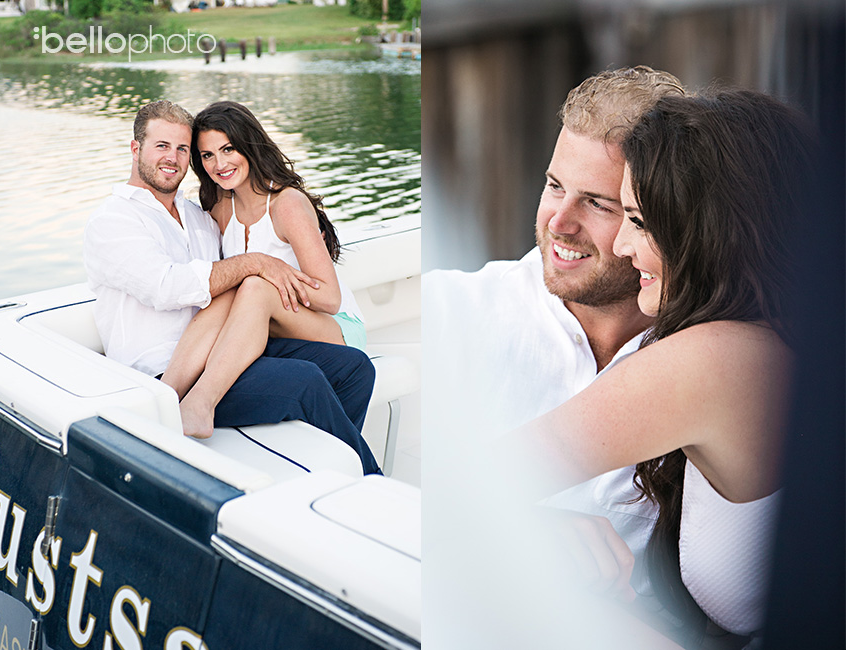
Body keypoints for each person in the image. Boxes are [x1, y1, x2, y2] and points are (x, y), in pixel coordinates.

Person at [498, 88, 814, 645]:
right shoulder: (791, 336)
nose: (622, 246)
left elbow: (466, 492)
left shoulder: (712, 362)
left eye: (639, 220)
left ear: (713, 228)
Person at [423, 66, 685, 600]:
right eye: (554, 186)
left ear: (654, 219)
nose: (558, 221)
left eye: (598, 203)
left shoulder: (704, 353)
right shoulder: (454, 310)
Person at [83, 100, 381, 475]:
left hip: (225, 353)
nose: (173, 158)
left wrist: (259, 269)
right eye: (162, 146)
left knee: (355, 368)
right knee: (304, 378)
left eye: (182, 149)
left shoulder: (198, 215)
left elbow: (235, 284)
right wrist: (258, 264)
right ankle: (366, 481)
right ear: (135, 148)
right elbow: (168, 287)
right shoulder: (114, 219)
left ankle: (325, 477)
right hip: (164, 372)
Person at [159, 101, 367, 443]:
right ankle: (163, 396)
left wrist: (269, 273)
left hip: (333, 328)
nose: (219, 164)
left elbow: (330, 298)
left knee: (252, 285)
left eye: (228, 149)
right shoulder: (221, 208)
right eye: (207, 155)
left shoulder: (287, 204)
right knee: (228, 284)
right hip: (274, 328)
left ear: (249, 144)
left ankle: (200, 403)